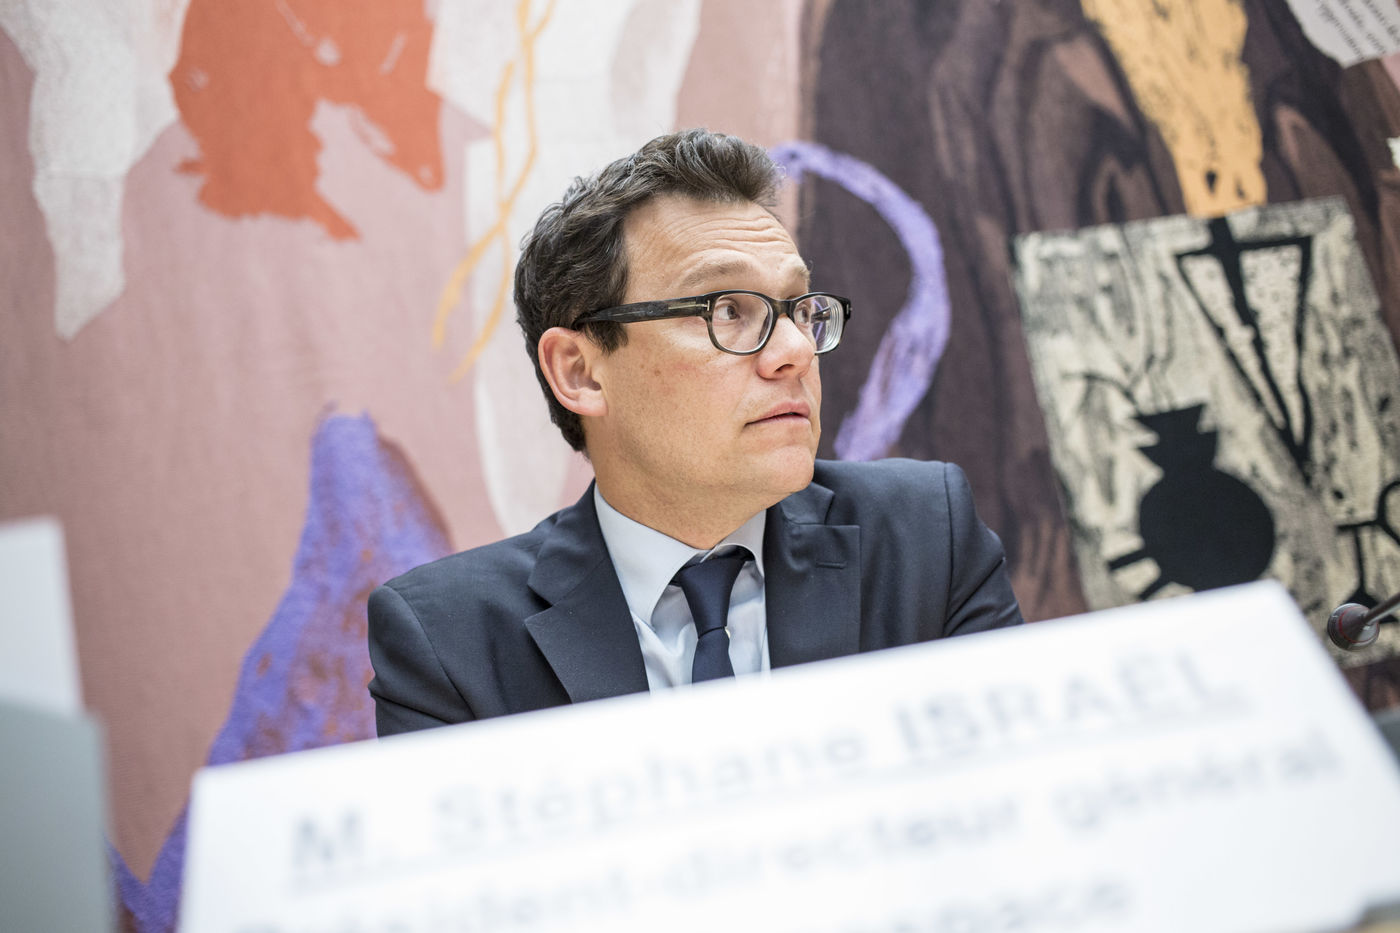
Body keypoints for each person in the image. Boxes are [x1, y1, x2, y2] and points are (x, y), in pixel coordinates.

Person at [367, 129, 1022, 736]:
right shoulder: (449, 640)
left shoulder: (925, 541)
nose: (796, 350)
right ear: (581, 371)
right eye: (727, 310)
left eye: (800, 309)